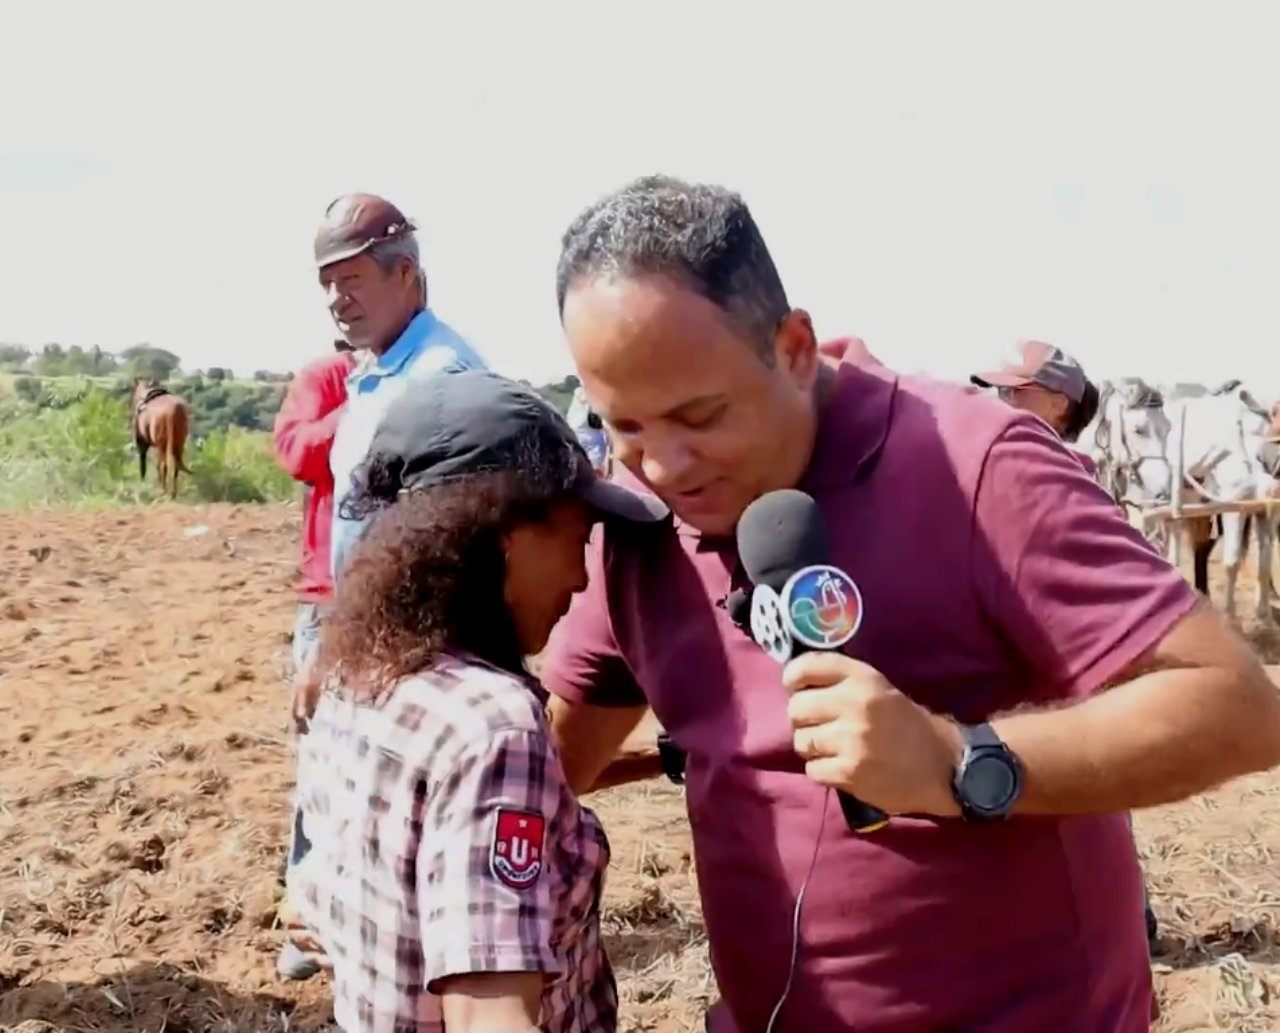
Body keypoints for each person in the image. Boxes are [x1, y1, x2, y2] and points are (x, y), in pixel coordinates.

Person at [538, 174, 1280, 1033]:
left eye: (699, 416)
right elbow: (559, 760)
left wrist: (957, 760)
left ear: (793, 346)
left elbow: (1239, 709)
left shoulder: (977, 468)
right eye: (625, 427)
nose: (664, 465)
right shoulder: (641, 533)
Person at [287, 369, 665, 1033]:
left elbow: (319, 892)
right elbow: (489, 1016)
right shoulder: (493, 726)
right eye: (576, 541)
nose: (581, 577)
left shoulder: (353, 678)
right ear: (503, 534)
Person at [315, 192, 489, 583]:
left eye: (351, 280)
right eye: (327, 284)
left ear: (405, 273)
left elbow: (455, 540)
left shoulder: (441, 378)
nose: (335, 301)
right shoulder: (375, 373)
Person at [270, 339, 360, 980]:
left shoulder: (430, 370)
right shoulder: (329, 377)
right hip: (333, 595)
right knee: (324, 762)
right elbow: (297, 453)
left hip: (410, 591)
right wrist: (362, 403)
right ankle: (306, 924)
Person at [970, 340, 1102, 475]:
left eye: (1012, 390)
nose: (997, 401)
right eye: (997, 389)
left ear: (1057, 405)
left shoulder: (1061, 482)